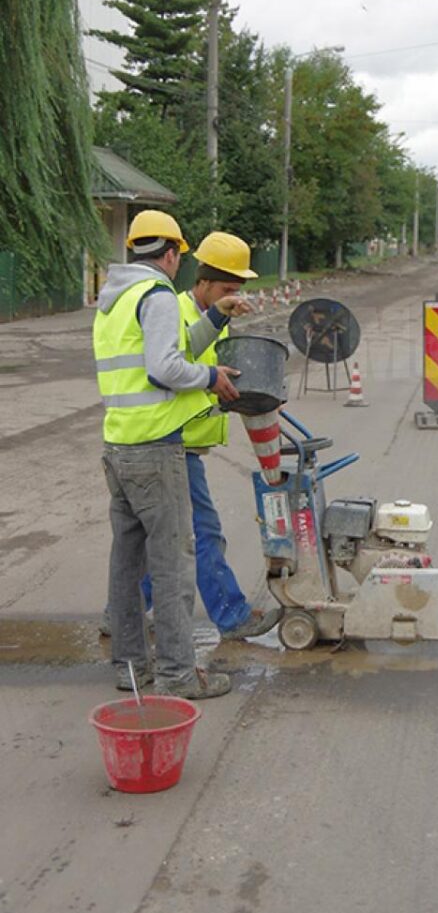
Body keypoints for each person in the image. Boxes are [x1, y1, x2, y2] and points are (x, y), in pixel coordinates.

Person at [93, 210, 243, 699]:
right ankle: (178, 675)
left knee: (127, 566)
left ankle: (131, 669)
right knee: (173, 566)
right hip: (156, 449)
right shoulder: (156, 294)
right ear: (173, 253)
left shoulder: (115, 298)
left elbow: (172, 349)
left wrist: (217, 316)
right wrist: (210, 377)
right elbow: (164, 367)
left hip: (120, 445)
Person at [138, 231, 280, 641]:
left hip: (186, 442)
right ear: (202, 281)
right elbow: (175, 372)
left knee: (163, 537)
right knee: (204, 532)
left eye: (238, 290)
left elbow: (218, 375)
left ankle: (123, 611)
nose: (233, 297)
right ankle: (233, 617)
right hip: (172, 440)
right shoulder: (176, 313)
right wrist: (211, 381)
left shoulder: (218, 320)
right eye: (226, 289)